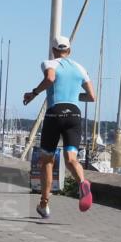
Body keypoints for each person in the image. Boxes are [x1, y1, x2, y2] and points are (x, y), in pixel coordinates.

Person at [22, 35, 95, 218]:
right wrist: (74, 97)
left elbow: (50, 78)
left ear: (54, 50)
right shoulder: (80, 68)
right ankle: (82, 182)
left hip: (55, 113)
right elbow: (92, 97)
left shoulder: (49, 63)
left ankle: (44, 204)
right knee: (71, 159)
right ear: (69, 51)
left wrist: (34, 93)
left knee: (47, 160)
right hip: (74, 114)